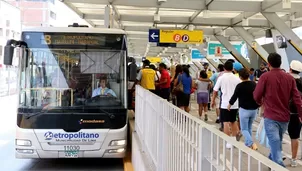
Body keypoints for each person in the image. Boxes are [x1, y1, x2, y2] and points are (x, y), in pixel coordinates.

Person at [253, 53, 302, 167]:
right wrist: (300, 114)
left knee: (275, 141)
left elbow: (256, 95)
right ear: (280, 63)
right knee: (277, 140)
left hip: (270, 116)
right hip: (285, 117)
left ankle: (279, 165)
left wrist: (260, 102)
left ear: (268, 64)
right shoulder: (289, 78)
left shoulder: (265, 76)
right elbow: (297, 99)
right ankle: (273, 161)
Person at [227, 68, 259, 150]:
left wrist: (229, 105)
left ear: (240, 77)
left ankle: (252, 143)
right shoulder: (254, 84)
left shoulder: (240, 86)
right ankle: (247, 145)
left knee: (244, 129)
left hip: (244, 110)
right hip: (254, 110)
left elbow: (234, 97)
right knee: (249, 128)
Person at [212, 61, 241, 148]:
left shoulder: (221, 78)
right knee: (233, 121)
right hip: (235, 103)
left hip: (225, 103)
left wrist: (213, 100)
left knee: (225, 123)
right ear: (232, 68)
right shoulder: (237, 78)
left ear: (224, 68)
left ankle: (229, 142)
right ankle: (235, 141)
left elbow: (215, 90)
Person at [288, 60, 302, 167]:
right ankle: (294, 159)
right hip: (297, 113)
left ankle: (276, 156)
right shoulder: (301, 82)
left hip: (284, 112)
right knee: (295, 137)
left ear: (290, 68)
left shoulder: (286, 79)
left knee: (277, 134)